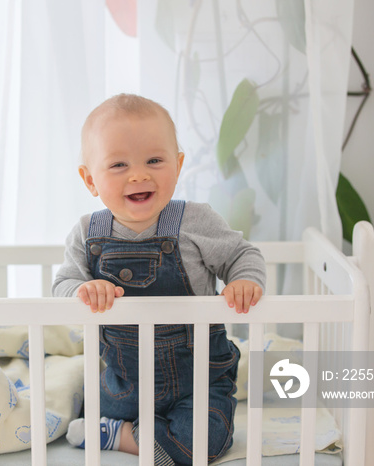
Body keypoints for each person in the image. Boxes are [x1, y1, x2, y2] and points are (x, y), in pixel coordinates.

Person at [52, 94, 266, 465]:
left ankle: (119, 436)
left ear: (178, 165)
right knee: (81, 403)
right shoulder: (88, 233)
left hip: (199, 382)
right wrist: (84, 290)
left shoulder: (196, 222)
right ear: (90, 179)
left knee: (204, 442)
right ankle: (126, 424)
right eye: (118, 164)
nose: (139, 174)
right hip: (124, 383)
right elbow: (63, 285)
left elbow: (242, 255)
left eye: (154, 160)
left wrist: (243, 280)